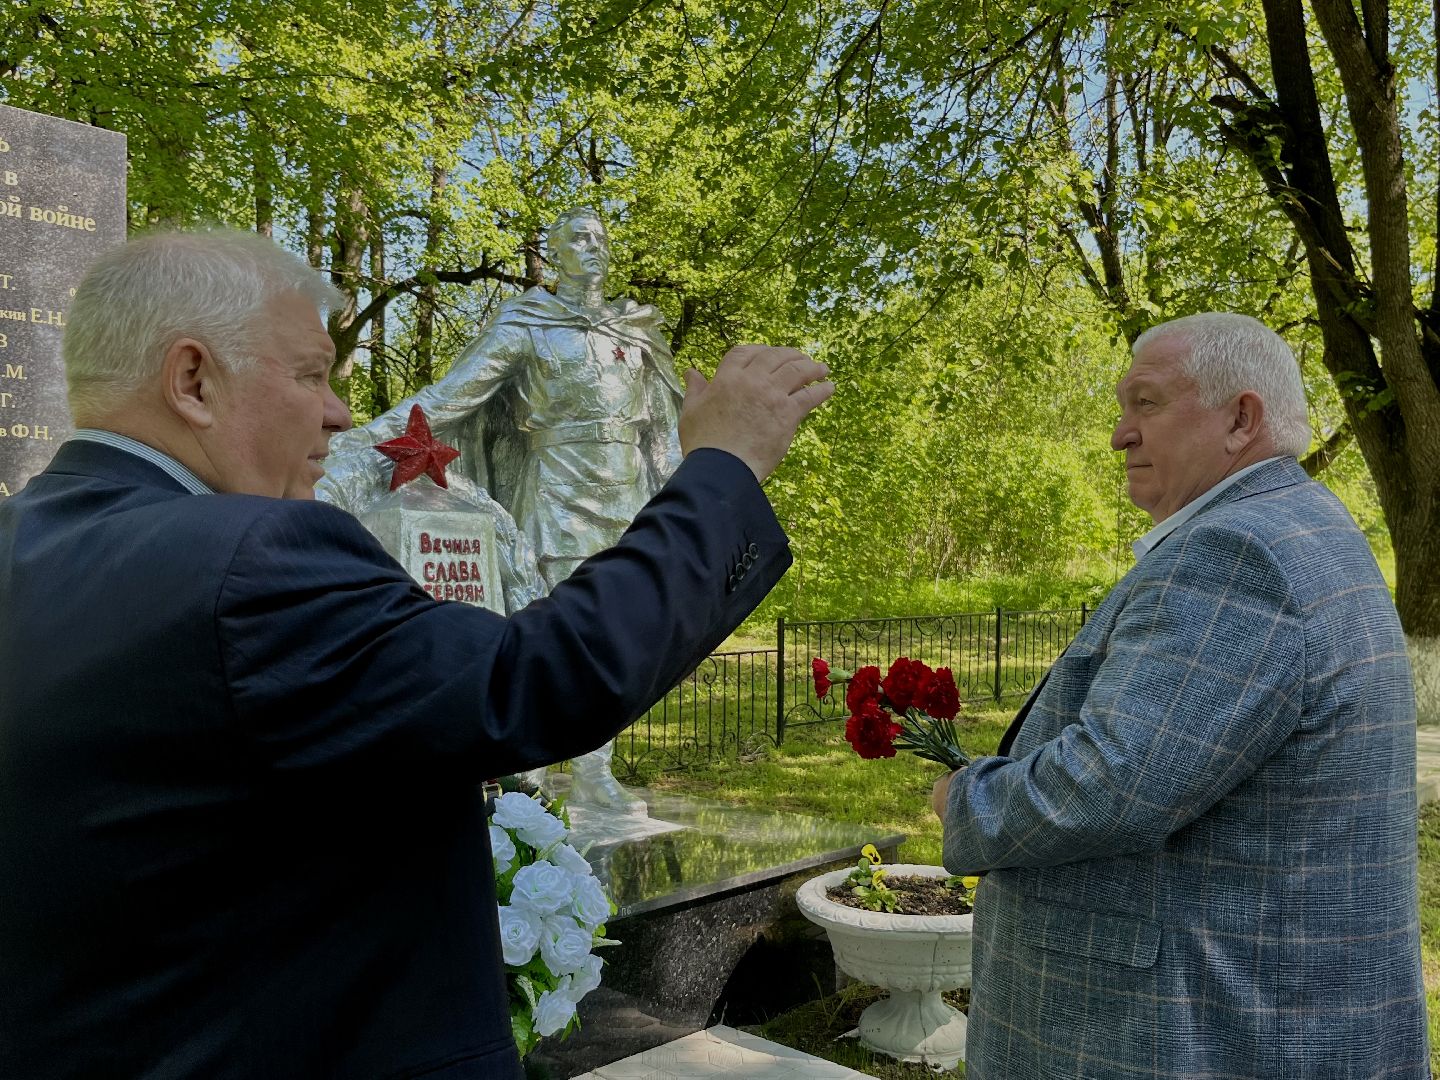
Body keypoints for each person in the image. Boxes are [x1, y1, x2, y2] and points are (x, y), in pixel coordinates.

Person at [0, 228, 832, 1080]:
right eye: (311, 374)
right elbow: (537, 679)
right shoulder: (248, 560)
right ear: (193, 380)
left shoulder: (20, 544)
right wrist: (724, 466)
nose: (339, 412)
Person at [932, 312, 1427, 1078]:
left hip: (1181, 1036)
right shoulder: (1297, 526)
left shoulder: (1239, 553)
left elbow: (1115, 781)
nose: (1119, 435)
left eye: (1148, 403)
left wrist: (967, 800)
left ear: (1241, 419)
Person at [321, 207, 681, 813]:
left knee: (619, 630)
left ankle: (593, 769)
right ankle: (548, 769)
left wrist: (681, 499)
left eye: (599, 238)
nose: (592, 247)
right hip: (560, 492)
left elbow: (664, 434)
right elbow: (448, 397)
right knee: (566, 630)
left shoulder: (634, 331)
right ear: (555, 254)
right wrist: (362, 440)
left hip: (629, 492)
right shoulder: (527, 324)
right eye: (577, 239)